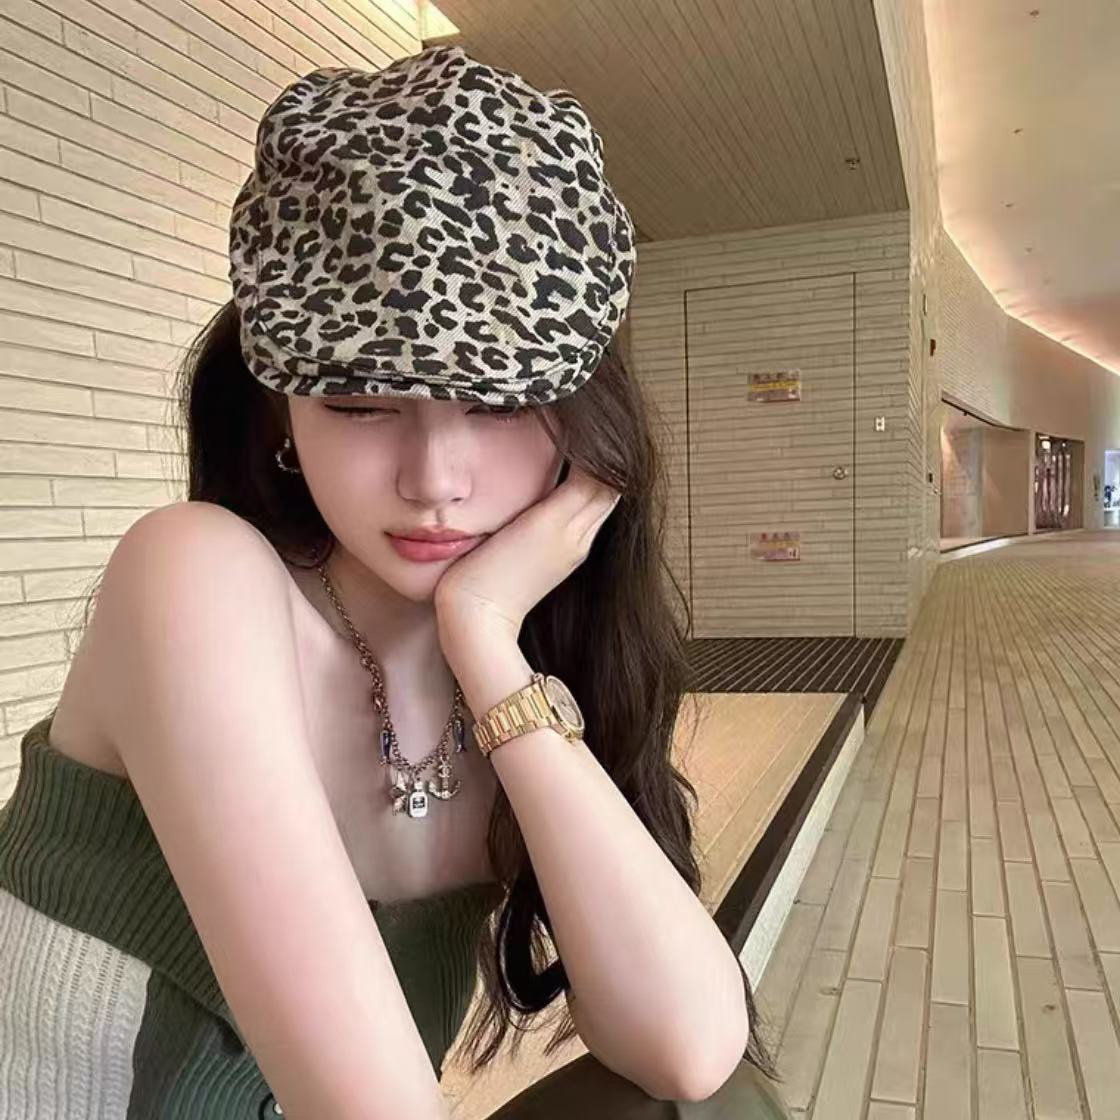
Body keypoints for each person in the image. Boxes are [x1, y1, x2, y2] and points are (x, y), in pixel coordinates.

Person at [0, 44, 790, 1119]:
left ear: (586, 425)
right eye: (363, 404)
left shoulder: (526, 663)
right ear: (280, 410)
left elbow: (690, 1049)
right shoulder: (193, 577)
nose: (433, 482)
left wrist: (484, 638)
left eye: (500, 404)